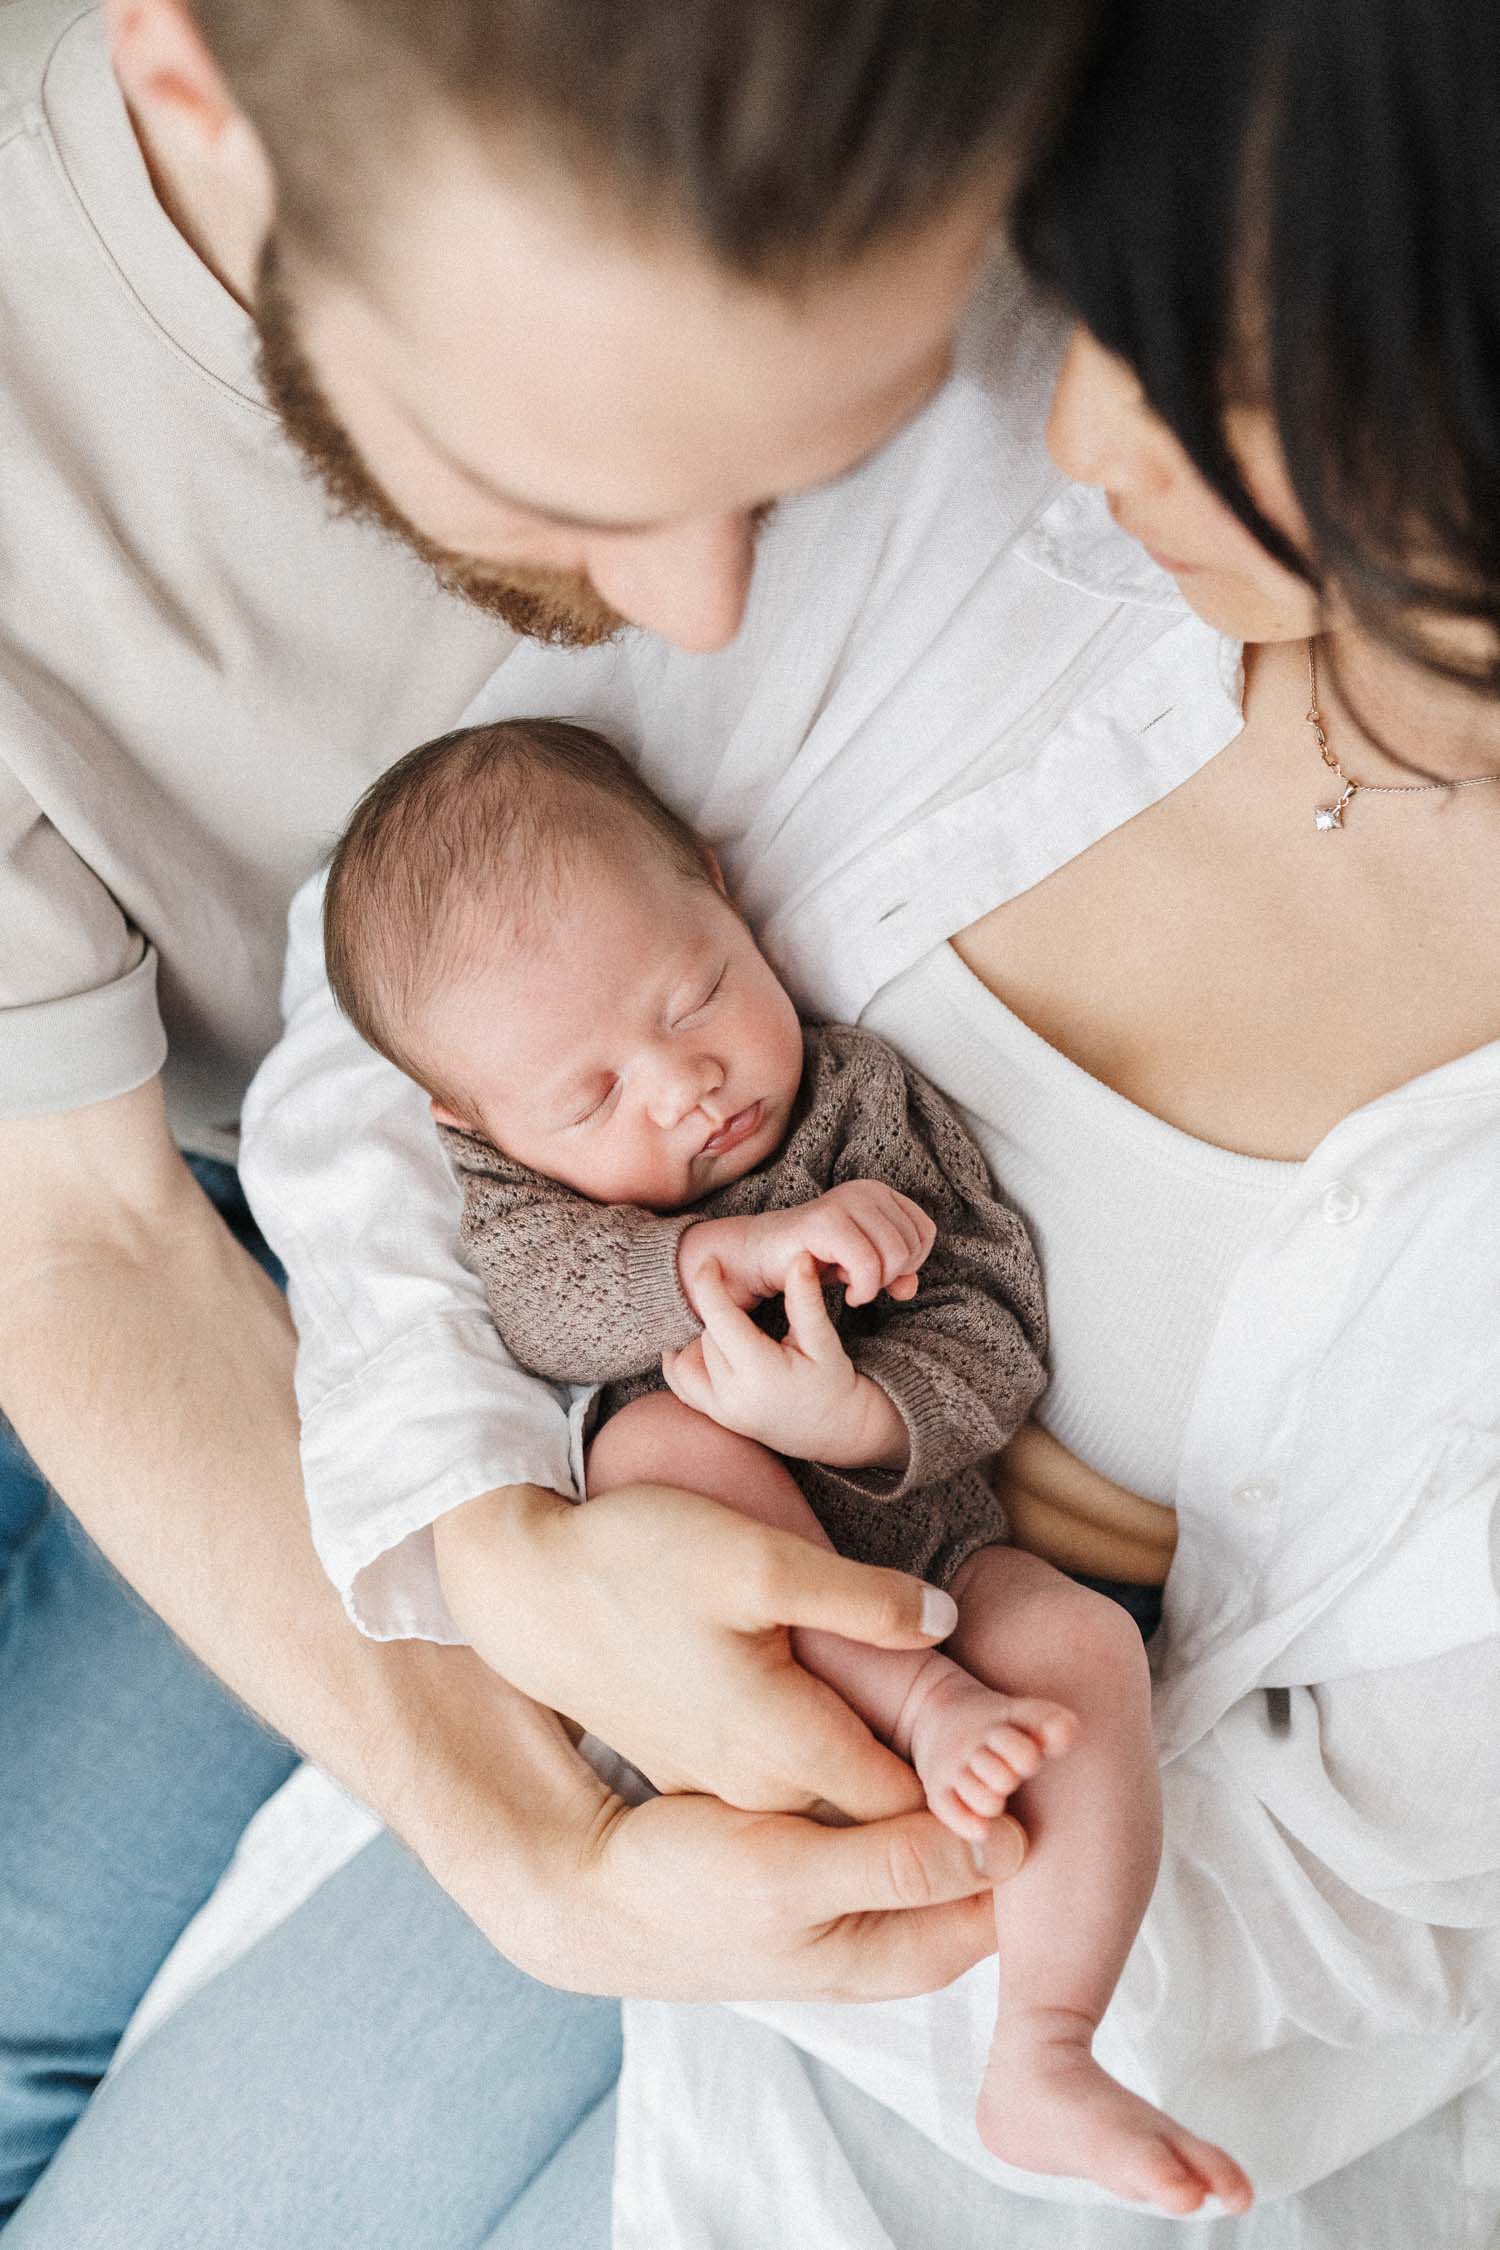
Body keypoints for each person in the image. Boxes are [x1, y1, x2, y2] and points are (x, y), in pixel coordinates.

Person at [46, 0, 1491, 2243]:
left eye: (1212, 354)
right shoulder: (1015, 508)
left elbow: (1379, 1932)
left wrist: (883, 1851)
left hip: (986, 1976)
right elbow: (405, 1004)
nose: (1081, 401)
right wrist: (500, 1544)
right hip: (571, 1656)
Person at [319, 716, 1253, 2212]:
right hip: (704, 1662)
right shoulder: (529, 1202)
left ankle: (1050, 2045)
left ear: (715, 886)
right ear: (474, 1121)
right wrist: (715, 1255)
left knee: (1081, 1647)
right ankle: (921, 1706)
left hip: (941, 1558)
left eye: (692, 994)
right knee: (657, 1437)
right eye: (589, 1097)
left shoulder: (857, 1106)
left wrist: (861, 1422)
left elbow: (998, 1321)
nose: (682, 1084)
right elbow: (546, 1304)